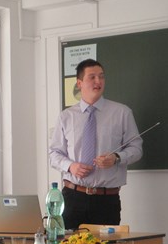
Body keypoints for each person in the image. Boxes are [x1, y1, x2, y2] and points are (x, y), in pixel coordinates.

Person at [49, 59, 143, 230]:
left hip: (106, 200)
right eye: (92, 77)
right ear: (79, 83)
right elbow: (54, 154)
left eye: (101, 77)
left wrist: (116, 158)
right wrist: (71, 166)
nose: (98, 81)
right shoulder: (66, 116)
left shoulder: (122, 113)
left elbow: (136, 148)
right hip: (72, 197)